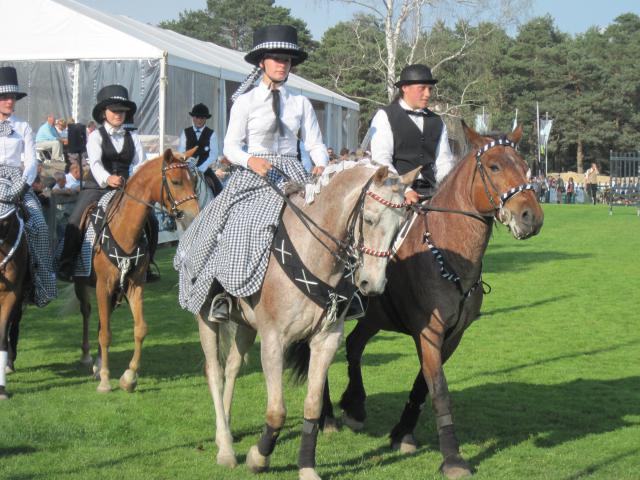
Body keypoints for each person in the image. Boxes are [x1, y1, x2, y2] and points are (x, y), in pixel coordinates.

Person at [175, 24, 328, 320]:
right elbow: (231, 147)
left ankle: (337, 295)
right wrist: (251, 161)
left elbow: (315, 143)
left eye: (287, 60)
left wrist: (320, 163)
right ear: (262, 63)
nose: (283, 64)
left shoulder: (301, 102)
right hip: (255, 173)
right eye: (276, 58)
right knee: (237, 224)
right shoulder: (245, 102)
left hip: (294, 172)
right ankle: (222, 293)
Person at [57, 85, 146, 281]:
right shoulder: (95, 136)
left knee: (152, 220)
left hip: (125, 188)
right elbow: (95, 163)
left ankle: (147, 264)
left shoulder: (133, 136)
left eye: (122, 111)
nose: (119, 115)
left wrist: (133, 183)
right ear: (104, 113)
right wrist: (108, 178)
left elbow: (141, 164)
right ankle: (67, 263)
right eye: (115, 111)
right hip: (97, 187)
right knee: (75, 220)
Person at [0, 66, 57, 307]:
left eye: (12, 97)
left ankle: (38, 283)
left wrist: (23, 186)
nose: (9, 101)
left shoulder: (23, 126)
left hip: (16, 179)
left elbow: (31, 161)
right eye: (4, 97)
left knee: (40, 226)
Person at [370, 64, 455, 204]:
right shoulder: (385, 116)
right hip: (395, 194)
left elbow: (444, 162)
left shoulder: (437, 121)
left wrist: (446, 189)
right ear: (405, 88)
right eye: (422, 88)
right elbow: (382, 160)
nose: (428, 94)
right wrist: (405, 190)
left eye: (430, 89)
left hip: (432, 192)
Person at [178, 103, 222, 195]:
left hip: (204, 169)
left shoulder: (211, 134)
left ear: (206, 119)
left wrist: (202, 167)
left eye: (202, 118)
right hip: (188, 168)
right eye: (197, 117)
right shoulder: (185, 132)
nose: (199, 120)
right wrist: (189, 163)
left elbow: (213, 154)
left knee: (219, 188)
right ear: (193, 118)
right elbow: (181, 152)